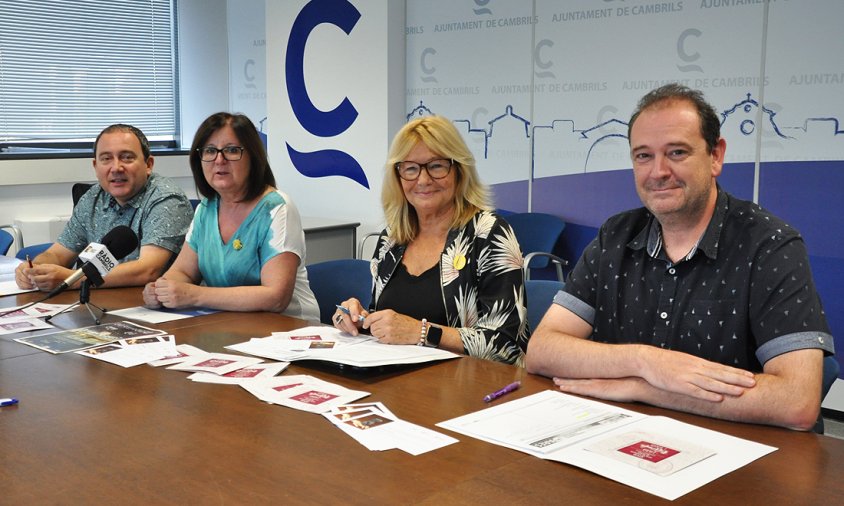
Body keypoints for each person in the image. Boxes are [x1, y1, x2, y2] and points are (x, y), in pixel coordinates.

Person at [526, 84, 835, 430]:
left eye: (676, 153)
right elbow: (542, 351)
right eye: (643, 155)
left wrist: (646, 389)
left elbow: (797, 401)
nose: (658, 172)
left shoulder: (770, 245)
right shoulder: (615, 235)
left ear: (715, 156)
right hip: (623, 439)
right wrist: (646, 362)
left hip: (742, 461)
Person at [334, 115, 528, 365]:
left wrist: (422, 332)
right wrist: (359, 319)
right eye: (411, 168)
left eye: (436, 166)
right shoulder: (391, 239)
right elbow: (391, 324)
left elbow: (505, 346)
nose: (423, 180)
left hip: (471, 387)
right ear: (398, 176)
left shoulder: (489, 234)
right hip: (400, 379)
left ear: (459, 170)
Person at [143, 112, 319, 320]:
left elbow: (275, 297)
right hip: (228, 323)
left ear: (253, 157)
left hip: (288, 331)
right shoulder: (206, 209)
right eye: (210, 151)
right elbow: (184, 273)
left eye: (232, 151)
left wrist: (196, 295)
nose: (219, 160)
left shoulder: (277, 209)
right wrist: (160, 289)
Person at [15, 124, 193, 291]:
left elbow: (148, 270)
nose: (116, 167)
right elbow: (58, 254)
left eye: (127, 157)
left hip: (151, 307)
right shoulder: (93, 197)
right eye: (106, 159)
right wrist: (35, 269)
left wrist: (72, 279)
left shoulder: (167, 199)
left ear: (148, 165)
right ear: (96, 166)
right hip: (98, 301)